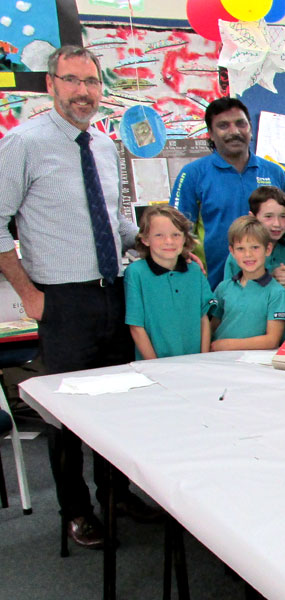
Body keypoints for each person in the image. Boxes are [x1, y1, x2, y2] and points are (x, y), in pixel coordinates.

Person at [0, 46, 160, 549]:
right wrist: (29, 293)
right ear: (50, 85)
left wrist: (159, 244)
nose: (84, 92)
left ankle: (117, 492)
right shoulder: (23, 144)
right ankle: (76, 510)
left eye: (92, 82)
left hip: (112, 293)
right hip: (62, 301)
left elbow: (117, 223)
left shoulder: (105, 147)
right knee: (68, 414)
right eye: (71, 80)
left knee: (120, 405)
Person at [170, 97, 285, 289]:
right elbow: (177, 234)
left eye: (240, 123)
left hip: (271, 287)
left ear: (250, 127)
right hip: (213, 289)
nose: (234, 131)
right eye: (223, 126)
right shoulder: (193, 175)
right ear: (210, 134)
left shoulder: (275, 173)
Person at [124, 206, 214, 359]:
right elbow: (136, 326)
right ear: (145, 239)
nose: (169, 241)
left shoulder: (195, 271)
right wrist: (155, 366)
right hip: (155, 365)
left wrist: (204, 359)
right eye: (159, 235)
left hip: (195, 363)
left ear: (185, 238)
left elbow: (204, 319)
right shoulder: (135, 273)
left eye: (176, 235)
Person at [211, 217, 285, 350]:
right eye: (240, 249)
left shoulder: (277, 293)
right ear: (232, 251)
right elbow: (212, 326)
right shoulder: (223, 288)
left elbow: (272, 340)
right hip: (218, 361)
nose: (248, 254)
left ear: (268, 249)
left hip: (253, 364)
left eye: (255, 247)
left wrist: (228, 345)